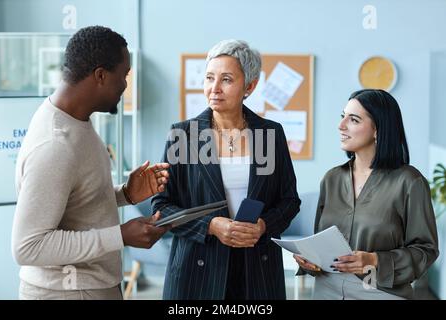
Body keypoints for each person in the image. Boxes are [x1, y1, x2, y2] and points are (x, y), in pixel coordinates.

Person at [12, 26, 171, 300]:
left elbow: (71, 201)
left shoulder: (77, 121)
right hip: (67, 293)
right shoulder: (55, 145)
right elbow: (28, 246)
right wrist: (120, 235)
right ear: (100, 75)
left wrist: (125, 194)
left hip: (86, 288)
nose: (124, 85)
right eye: (123, 76)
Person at [152, 39, 301, 300]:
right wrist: (211, 225)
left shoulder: (270, 134)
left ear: (250, 86)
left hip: (257, 268)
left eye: (227, 80)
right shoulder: (184, 135)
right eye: (210, 78)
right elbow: (162, 207)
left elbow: (289, 201)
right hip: (197, 269)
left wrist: (264, 225)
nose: (214, 88)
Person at [294, 89, 439, 300]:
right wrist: (311, 262)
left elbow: (426, 251)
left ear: (378, 129)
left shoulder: (409, 182)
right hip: (326, 291)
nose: (341, 126)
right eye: (342, 116)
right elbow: (323, 246)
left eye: (353, 120)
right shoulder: (331, 179)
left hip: (378, 292)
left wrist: (375, 260)